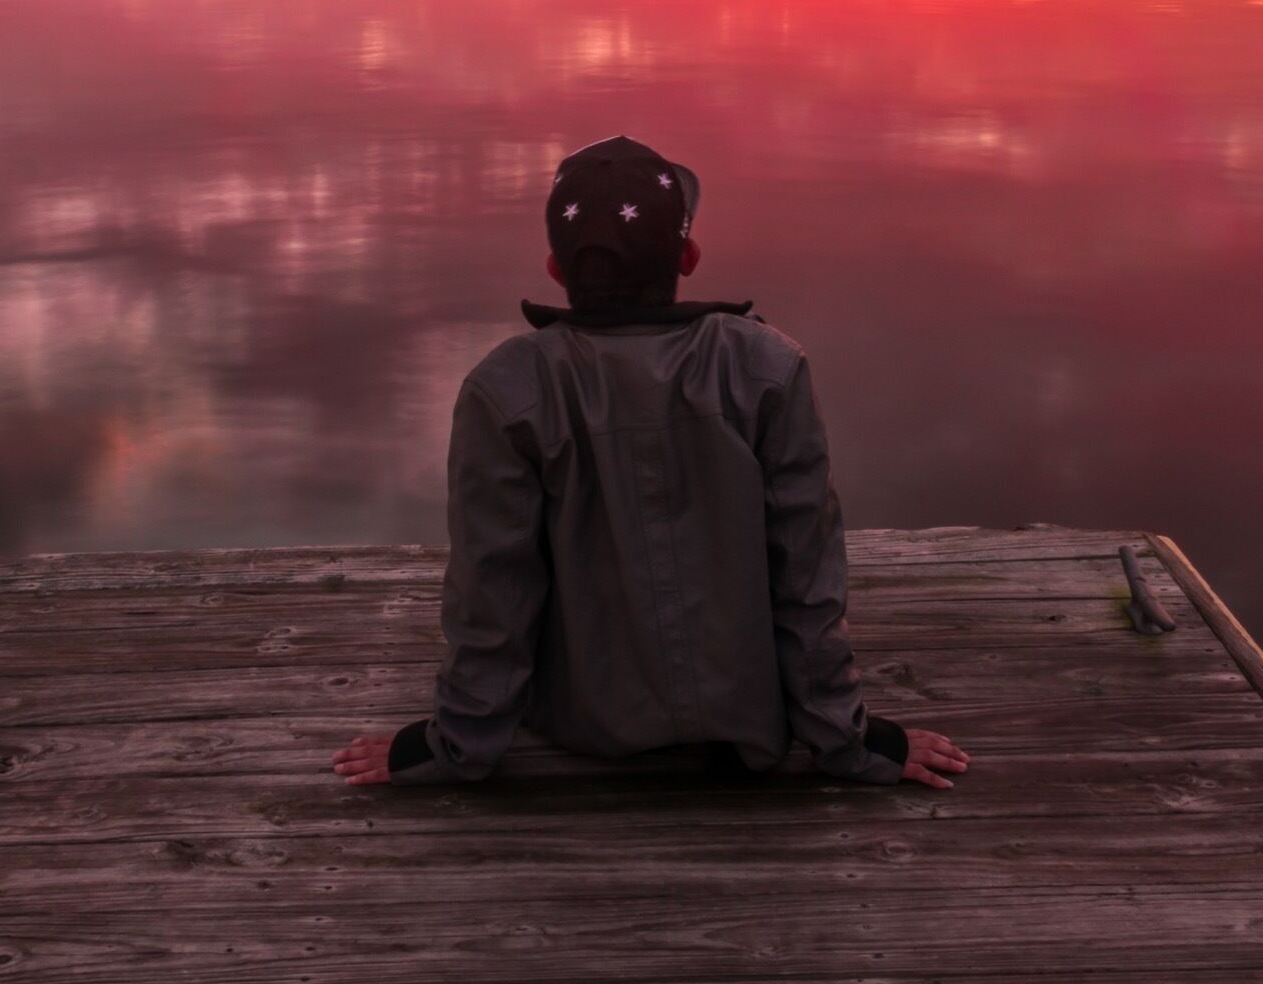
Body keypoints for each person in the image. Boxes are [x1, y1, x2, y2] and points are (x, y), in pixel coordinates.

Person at [332, 135, 970, 790]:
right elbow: (806, 581)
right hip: (748, 728)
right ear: (689, 256)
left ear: (556, 268)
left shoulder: (505, 390)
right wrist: (853, 742)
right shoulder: (767, 366)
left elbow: (493, 592)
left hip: (585, 731)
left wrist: (451, 748)